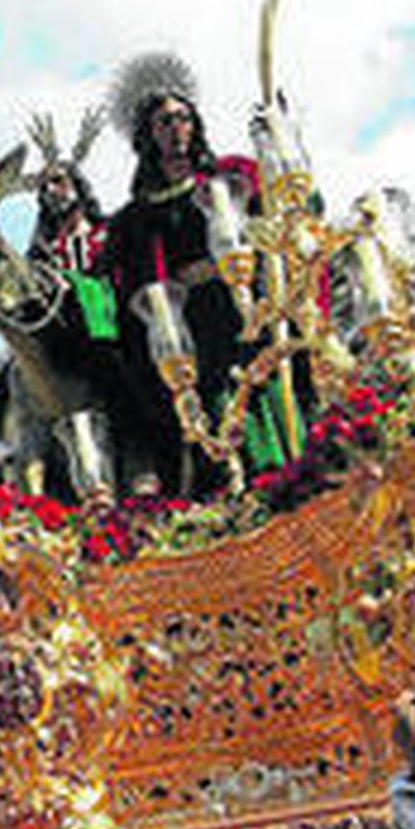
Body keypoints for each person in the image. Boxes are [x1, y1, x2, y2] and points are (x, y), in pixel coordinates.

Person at [100, 52, 281, 496]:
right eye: (164, 122)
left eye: (183, 118)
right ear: (148, 135)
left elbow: (281, 212)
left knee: (259, 386)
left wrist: (276, 140)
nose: (177, 128)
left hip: (242, 305)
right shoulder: (135, 217)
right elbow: (125, 281)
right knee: (210, 404)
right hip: (190, 328)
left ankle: (279, 474)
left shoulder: (231, 176)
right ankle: (229, 487)